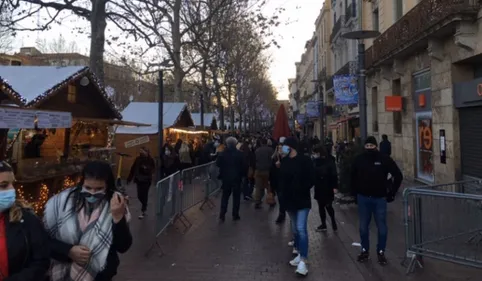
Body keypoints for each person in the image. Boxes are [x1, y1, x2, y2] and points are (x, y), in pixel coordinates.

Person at [44, 161, 132, 281]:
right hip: (62, 270)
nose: (92, 193)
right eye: (88, 188)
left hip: (100, 275)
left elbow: (123, 246)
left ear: (107, 186)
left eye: (99, 188)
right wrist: (68, 250)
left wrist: (118, 218)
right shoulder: (61, 202)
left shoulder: (116, 202)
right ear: (82, 183)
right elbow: (43, 240)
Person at [351, 136, 403, 265]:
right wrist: (355, 194)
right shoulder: (359, 159)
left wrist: (391, 193)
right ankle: (364, 250)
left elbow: (398, 175)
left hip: (379, 198)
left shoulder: (384, 159)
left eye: (371, 146)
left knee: (382, 227)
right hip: (363, 198)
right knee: (363, 227)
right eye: (367, 146)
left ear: (376, 146)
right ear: (364, 147)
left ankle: (381, 251)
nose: (369, 148)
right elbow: (352, 177)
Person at [0, 161, 50, 281]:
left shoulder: (28, 220)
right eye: (3, 185)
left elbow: (41, 262)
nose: (12, 190)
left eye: (12, 184)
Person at [279, 137, 314, 276]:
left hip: (302, 200)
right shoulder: (285, 161)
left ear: (291, 147)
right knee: (295, 229)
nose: (282, 148)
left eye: (284, 146)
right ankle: (299, 254)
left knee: (301, 228)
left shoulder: (305, 161)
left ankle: (303, 261)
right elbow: (281, 180)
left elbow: (311, 178)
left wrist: (301, 188)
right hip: (289, 201)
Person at [216, 137, 244, 222]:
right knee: (236, 197)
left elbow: (218, 164)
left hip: (226, 178)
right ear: (235, 144)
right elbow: (243, 166)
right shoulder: (240, 154)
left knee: (225, 196)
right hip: (237, 178)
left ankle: (222, 214)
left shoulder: (222, 154)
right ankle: (235, 214)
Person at [312, 145, 338, 232]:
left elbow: (334, 174)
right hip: (319, 186)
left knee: (328, 206)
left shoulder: (329, 161)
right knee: (321, 206)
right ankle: (323, 224)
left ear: (319, 153)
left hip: (327, 186)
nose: (314, 155)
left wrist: (334, 186)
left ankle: (333, 221)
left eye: (315, 153)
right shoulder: (315, 161)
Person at [127, 147, 155, 219]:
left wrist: (146, 169)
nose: (142, 152)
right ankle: (144, 206)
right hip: (139, 179)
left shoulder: (150, 160)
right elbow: (133, 169)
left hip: (146, 180)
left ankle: (143, 210)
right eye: (141, 151)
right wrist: (129, 179)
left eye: (143, 151)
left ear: (147, 152)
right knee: (139, 195)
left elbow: (152, 169)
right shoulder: (138, 159)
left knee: (144, 194)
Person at [254, 138, 274, 209]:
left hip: (258, 170)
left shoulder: (257, 150)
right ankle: (271, 201)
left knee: (258, 187)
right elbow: (272, 159)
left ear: (261, 143)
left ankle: (257, 202)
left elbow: (254, 160)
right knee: (268, 187)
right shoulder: (270, 150)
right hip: (267, 171)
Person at [271, 136, 286, 223]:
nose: (280, 149)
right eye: (279, 148)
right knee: (281, 198)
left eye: (281, 148)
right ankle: (282, 213)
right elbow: (272, 172)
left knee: (285, 198)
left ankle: (285, 213)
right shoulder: (274, 158)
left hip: (286, 182)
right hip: (279, 182)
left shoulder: (288, 158)